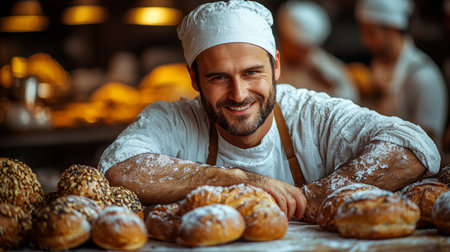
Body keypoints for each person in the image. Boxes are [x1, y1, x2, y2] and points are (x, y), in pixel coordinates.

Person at [99, 0, 440, 222]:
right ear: (194, 78)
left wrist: (312, 198)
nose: (238, 94)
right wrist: (236, 180)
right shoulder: (174, 120)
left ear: (275, 66)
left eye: (252, 73)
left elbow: (415, 144)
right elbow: (117, 167)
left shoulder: (311, 115)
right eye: (218, 77)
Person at [355, 0, 448, 150]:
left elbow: (427, 145)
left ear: (393, 29)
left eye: (371, 32)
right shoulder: (376, 67)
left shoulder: (423, 77)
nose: (364, 40)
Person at [276, 0, 359, 102]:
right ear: (285, 39)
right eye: (298, 48)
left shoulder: (321, 64)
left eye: (307, 49)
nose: (304, 53)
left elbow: (349, 97)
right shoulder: (271, 62)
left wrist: (326, 84)